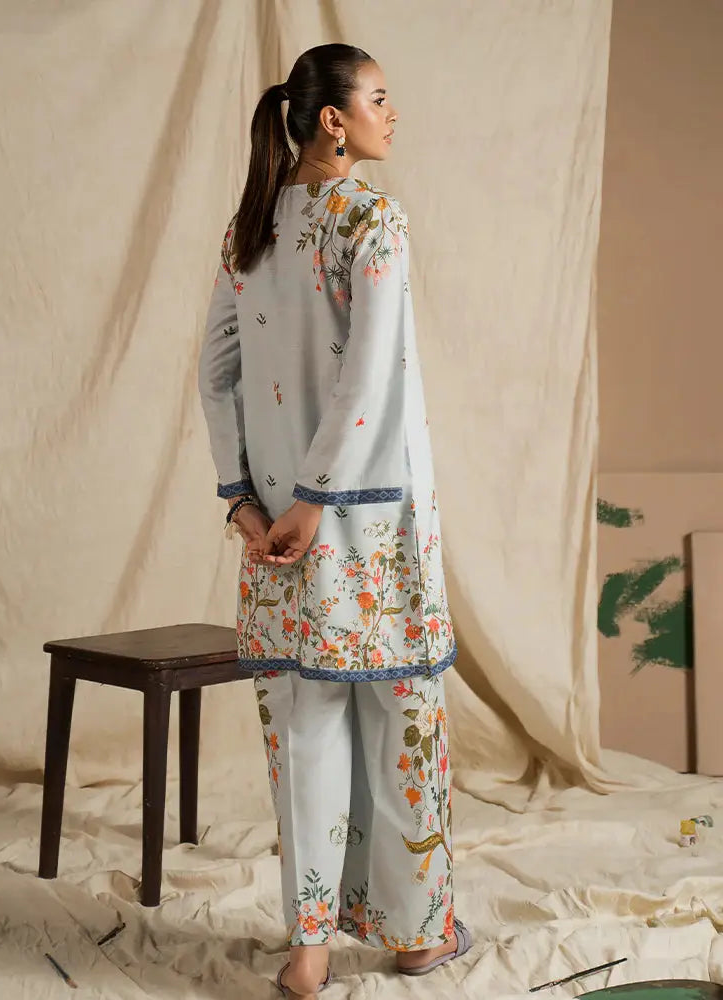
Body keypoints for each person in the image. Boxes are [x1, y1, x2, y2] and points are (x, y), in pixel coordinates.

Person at [198, 43, 471, 1000]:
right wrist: (320, 499)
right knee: (406, 723)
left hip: (275, 525)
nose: (392, 115)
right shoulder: (372, 219)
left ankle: (308, 951)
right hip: (368, 522)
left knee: (304, 727)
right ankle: (418, 937)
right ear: (333, 120)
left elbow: (215, 374)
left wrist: (245, 500)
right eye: (379, 99)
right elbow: (371, 374)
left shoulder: (251, 227)